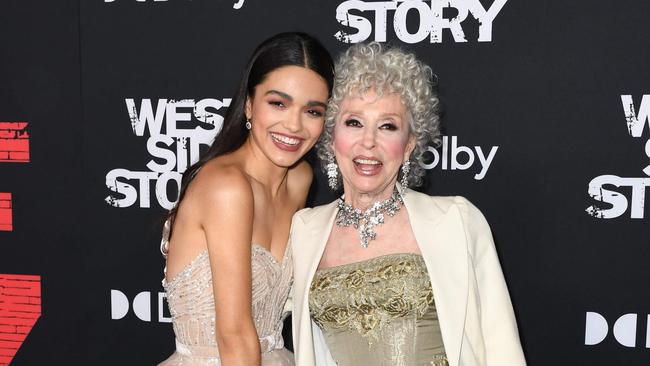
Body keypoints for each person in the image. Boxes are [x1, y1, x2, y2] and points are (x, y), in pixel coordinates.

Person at [290, 42, 526, 366]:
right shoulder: (304, 230)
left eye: (387, 126)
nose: (368, 141)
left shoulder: (455, 219)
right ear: (332, 137)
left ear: (409, 145)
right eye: (354, 123)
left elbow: (501, 348)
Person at [158, 32, 333, 366]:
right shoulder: (227, 187)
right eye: (278, 103)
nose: (293, 125)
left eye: (312, 111)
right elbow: (235, 335)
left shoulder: (299, 179)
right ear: (250, 104)